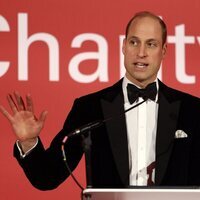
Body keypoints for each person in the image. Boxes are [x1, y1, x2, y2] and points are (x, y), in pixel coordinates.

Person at [1, 11, 200, 190]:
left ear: (163, 50)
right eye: (134, 42)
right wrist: (28, 142)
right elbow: (48, 177)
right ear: (123, 46)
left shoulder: (193, 110)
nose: (141, 52)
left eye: (151, 44)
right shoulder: (89, 108)